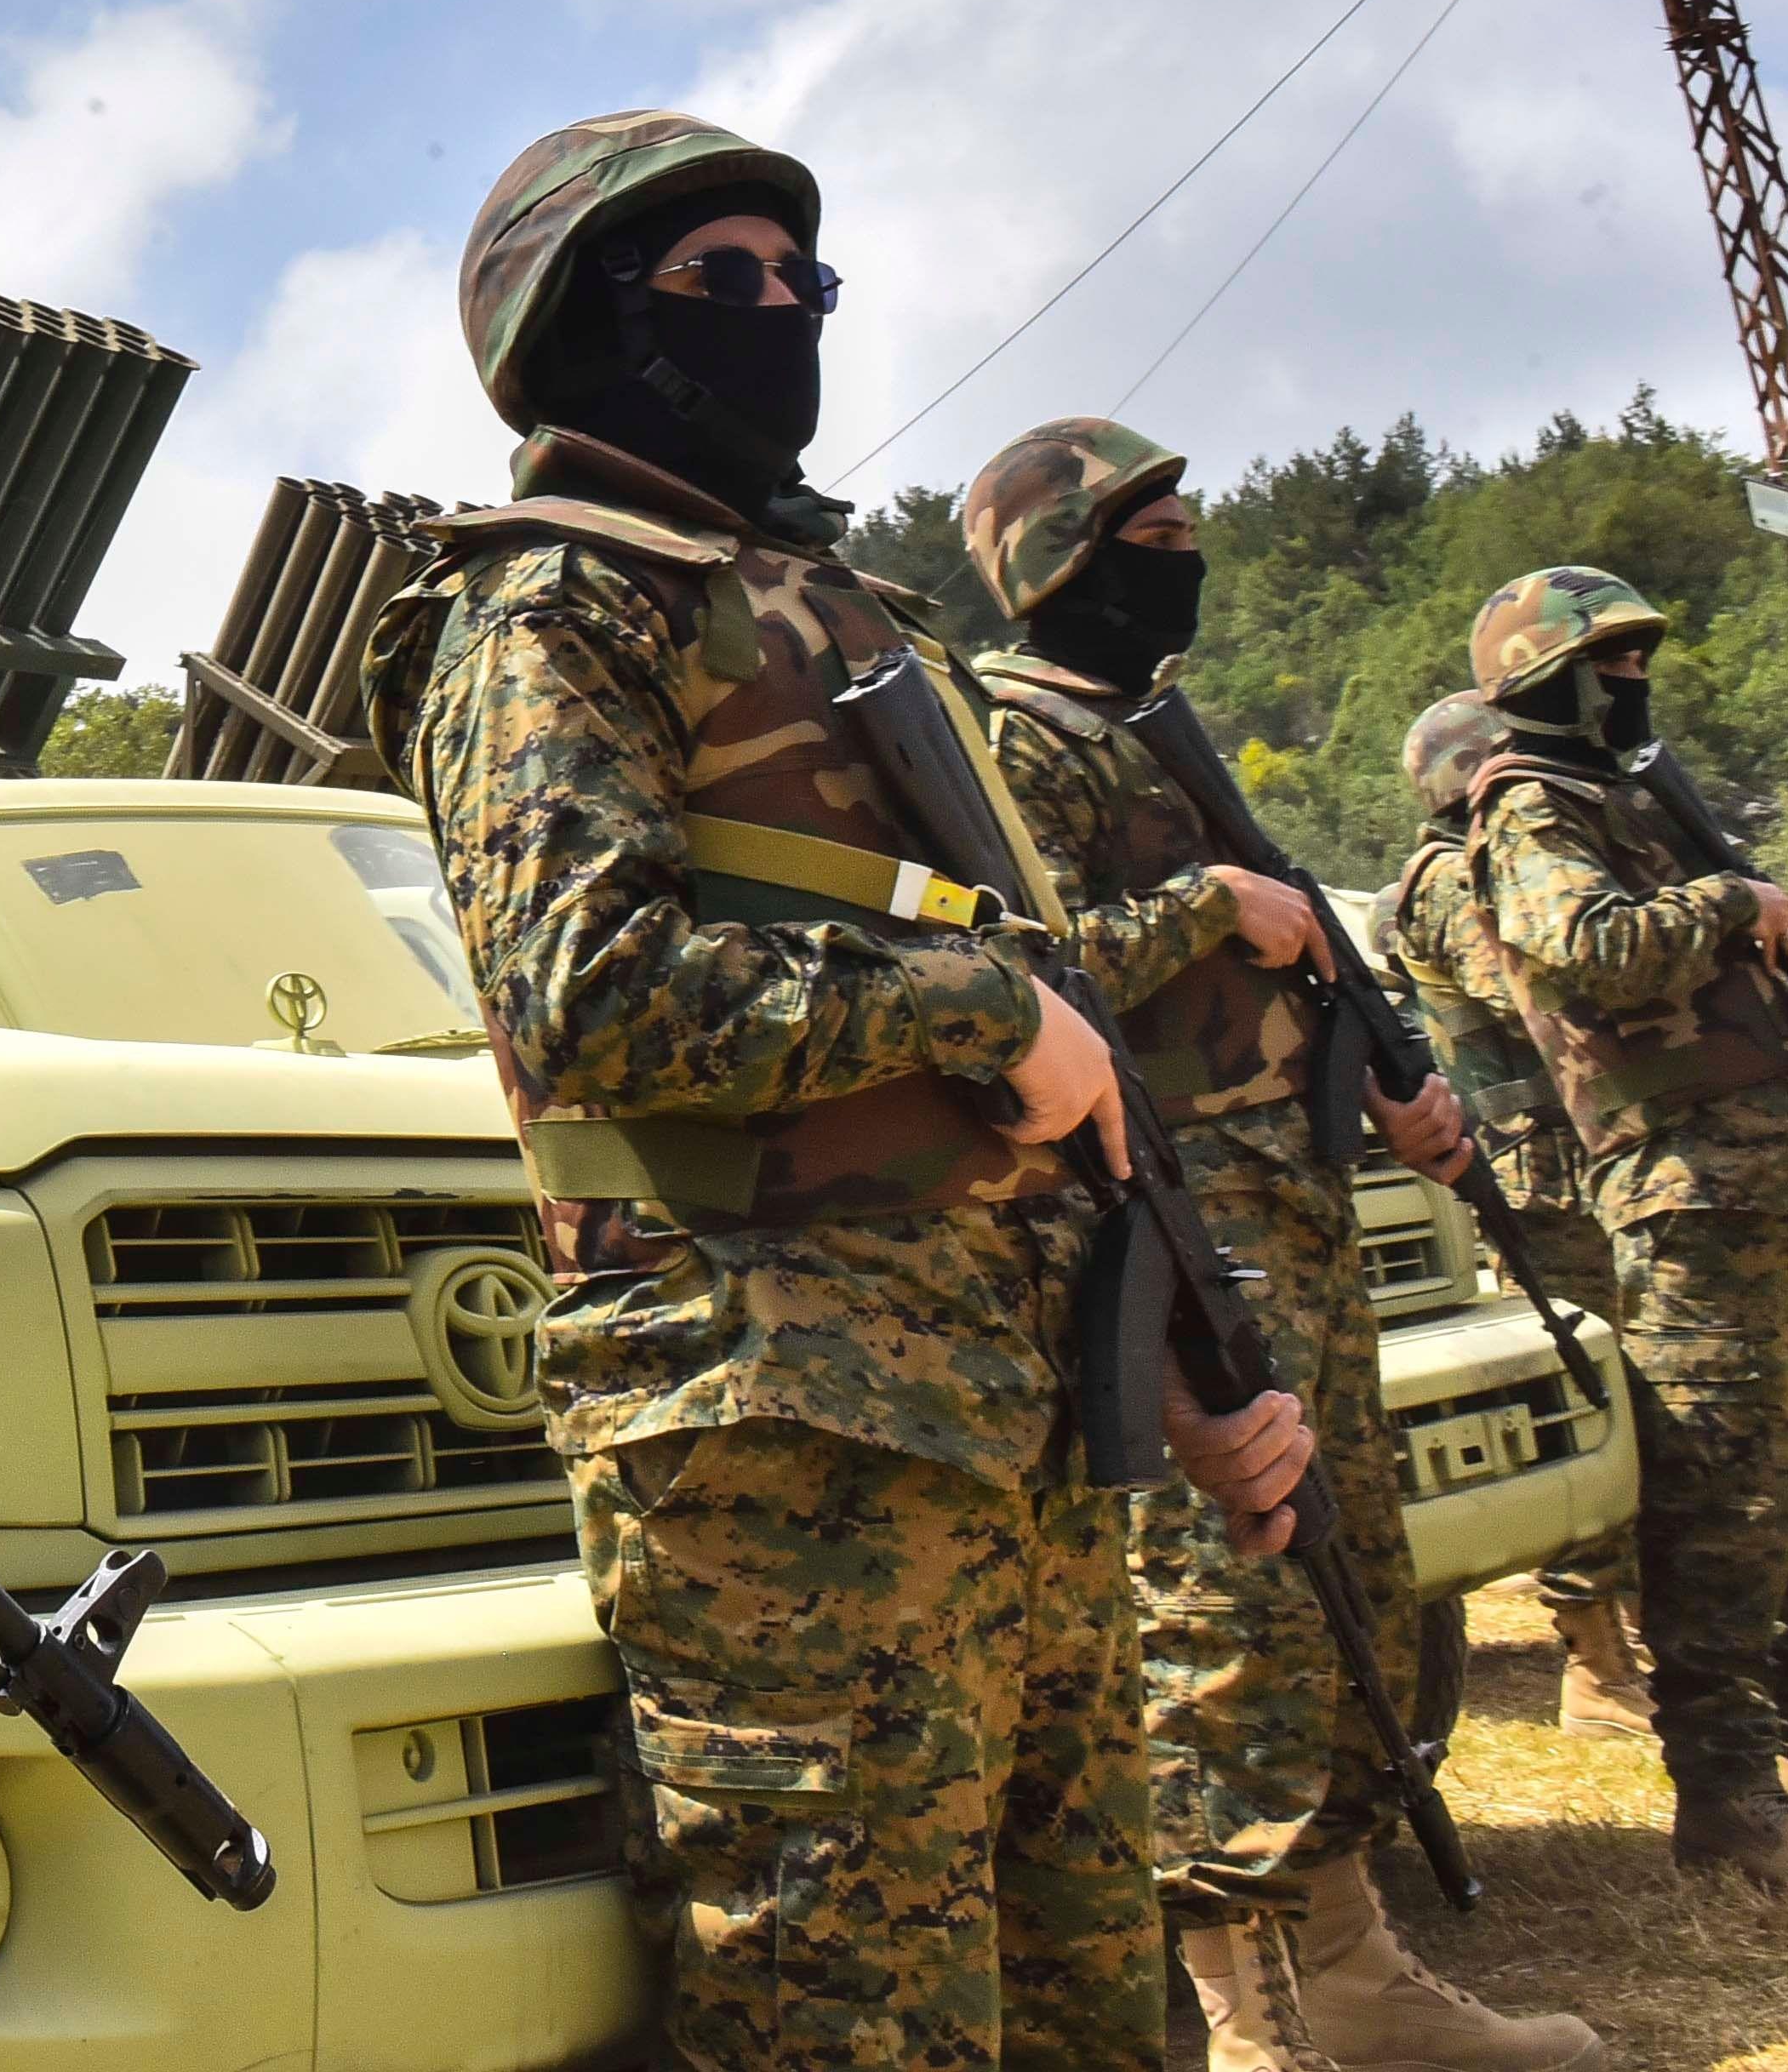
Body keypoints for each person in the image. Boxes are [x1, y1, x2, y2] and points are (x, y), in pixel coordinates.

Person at [366, 111, 1310, 2072]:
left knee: (1103, 2006)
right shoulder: (552, 601)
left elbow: (1055, 1072)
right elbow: (588, 984)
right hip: (777, 1425)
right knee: (851, 2016)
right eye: (722, 280)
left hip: (1004, 1420)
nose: (778, 313)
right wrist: (973, 998)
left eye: (801, 282)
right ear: (582, 318)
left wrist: (1194, 1368)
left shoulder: (840, 620)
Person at [953, 422, 1582, 2072]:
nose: (1182, 544)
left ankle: (1353, 1972)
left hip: (1289, 1229)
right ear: (1053, 560)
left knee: (1344, 1589)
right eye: (1143, 524)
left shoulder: (1151, 728)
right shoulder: (1011, 737)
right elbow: (1013, 962)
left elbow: (1278, 984)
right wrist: (1206, 905)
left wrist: (1391, 1093)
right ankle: (1261, 2025)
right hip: (1175, 1237)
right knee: (1232, 1624)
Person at [1461, 568, 1788, 1905]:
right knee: (1726, 1507)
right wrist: (1729, 907)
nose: (1636, 676)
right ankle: (1729, 1798)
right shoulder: (1532, 807)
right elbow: (1583, 949)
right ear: (1541, 677)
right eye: (1612, 656)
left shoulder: (1641, 802)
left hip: (1787, 1180)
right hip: (1691, 1196)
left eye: (1644, 651)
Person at [1380, 694, 1651, 1744]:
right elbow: (1541, 980)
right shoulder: (1447, 882)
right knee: (1593, 1391)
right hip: (1540, 1179)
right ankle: (1594, 1664)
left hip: (1567, 1166)